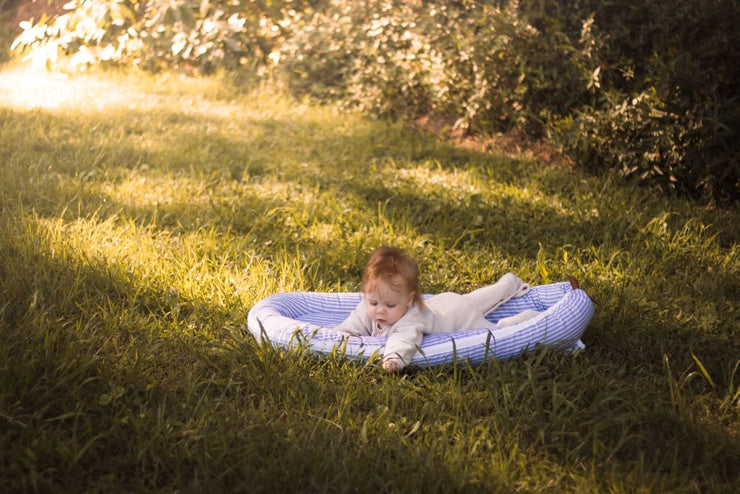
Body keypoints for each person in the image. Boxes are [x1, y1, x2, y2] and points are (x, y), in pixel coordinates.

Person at [334, 246, 541, 372]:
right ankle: (506, 284)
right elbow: (354, 322)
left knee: (493, 329)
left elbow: (403, 340)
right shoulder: (367, 306)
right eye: (373, 303)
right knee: (473, 300)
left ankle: (526, 319)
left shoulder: (411, 317)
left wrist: (394, 358)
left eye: (390, 305)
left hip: (458, 319)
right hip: (449, 302)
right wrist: (343, 333)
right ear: (366, 296)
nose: (380, 311)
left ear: (409, 301)